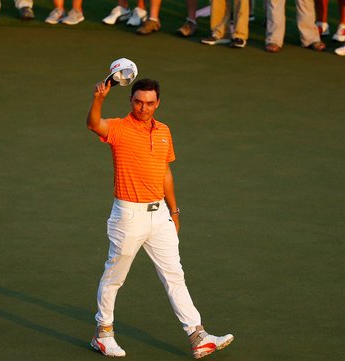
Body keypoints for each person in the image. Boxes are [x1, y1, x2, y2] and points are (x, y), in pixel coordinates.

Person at [86, 78, 234, 359]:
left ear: (158, 103)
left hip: (160, 216)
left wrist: (174, 211)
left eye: (150, 103)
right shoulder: (118, 127)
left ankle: (197, 335)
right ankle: (103, 334)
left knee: (175, 275)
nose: (144, 107)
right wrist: (98, 99)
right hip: (128, 215)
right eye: (139, 102)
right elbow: (94, 124)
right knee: (115, 276)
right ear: (131, 100)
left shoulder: (164, 131)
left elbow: (165, 172)